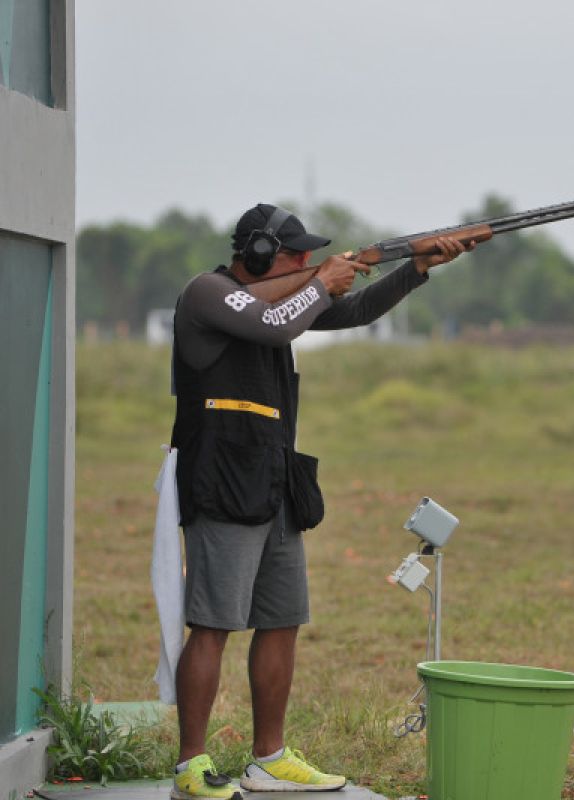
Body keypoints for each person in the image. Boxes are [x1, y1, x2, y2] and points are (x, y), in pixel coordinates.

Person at [168, 204, 472, 800]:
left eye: (311, 257)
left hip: (277, 479)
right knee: (211, 626)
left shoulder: (284, 298)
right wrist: (324, 279)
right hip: (222, 481)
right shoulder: (209, 292)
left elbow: (352, 309)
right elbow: (277, 323)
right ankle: (190, 766)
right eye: (294, 255)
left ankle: (269, 759)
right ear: (256, 253)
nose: (306, 263)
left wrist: (414, 268)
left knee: (283, 619)